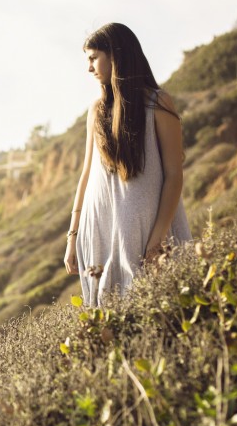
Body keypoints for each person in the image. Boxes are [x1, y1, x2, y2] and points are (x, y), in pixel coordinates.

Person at [63, 22, 191, 306]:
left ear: (116, 55)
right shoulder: (96, 110)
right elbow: (86, 175)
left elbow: (173, 175)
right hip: (98, 231)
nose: (89, 68)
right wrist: (73, 236)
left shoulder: (158, 103)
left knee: (158, 309)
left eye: (93, 57)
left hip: (145, 230)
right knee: (109, 323)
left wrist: (158, 239)